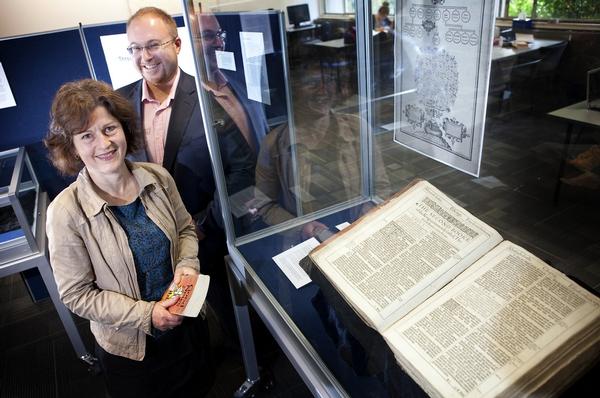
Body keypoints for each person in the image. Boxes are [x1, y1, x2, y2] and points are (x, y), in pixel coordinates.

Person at [44, 79, 214, 397]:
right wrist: (147, 315)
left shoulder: (158, 177)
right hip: (132, 350)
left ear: (123, 128)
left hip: (188, 324)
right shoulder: (65, 212)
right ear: (73, 149)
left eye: (109, 129)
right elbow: (77, 295)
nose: (104, 144)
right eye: (87, 136)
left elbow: (186, 230)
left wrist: (188, 265)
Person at [118, 7, 256, 343]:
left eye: (153, 45)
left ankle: (253, 359)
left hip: (206, 233)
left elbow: (242, 170)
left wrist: (207, 224)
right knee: (177, 317)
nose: (144, 57)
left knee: (229, 307)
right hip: (154, 241)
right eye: (135, 48)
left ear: (177, 45)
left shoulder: (209, 101)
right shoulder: (120, 103)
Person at [197, 9, 270, 153]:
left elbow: (262, 127)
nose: (219, 43)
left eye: (220, 35)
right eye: (207, 36)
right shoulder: (190, 96)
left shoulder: (239, 81)